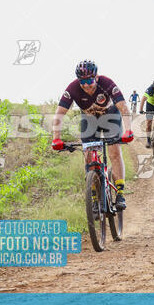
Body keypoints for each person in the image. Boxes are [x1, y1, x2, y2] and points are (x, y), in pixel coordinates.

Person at [51, 60, 133, 210]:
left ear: (96, 77)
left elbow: (123, 108)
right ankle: (94, 195)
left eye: (89, 80)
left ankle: (120, 192)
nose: (87, 85)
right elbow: (59, 114)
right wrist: (56, 138)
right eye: (83, 81)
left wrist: (128, 130)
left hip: (110, 117)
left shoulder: (107, 83)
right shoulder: (73, 88)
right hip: (89, 119)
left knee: (114, 151)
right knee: (88, 154)